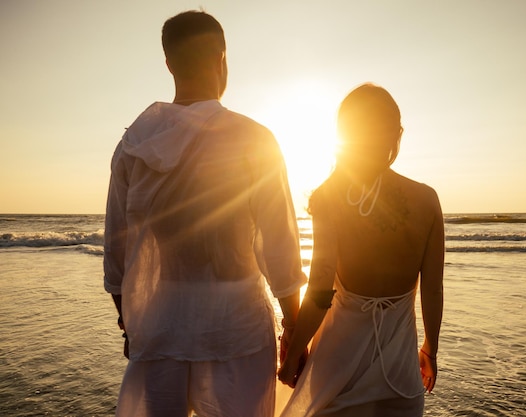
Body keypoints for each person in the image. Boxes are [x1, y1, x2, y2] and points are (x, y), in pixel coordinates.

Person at [103, 10, 306, 417]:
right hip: (237, 330)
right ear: (222, 59)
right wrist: (295, 333)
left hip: (159, 326)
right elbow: (280, 250)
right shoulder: (254, 139)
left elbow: (116, 249)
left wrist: (131, 322)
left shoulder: (136, 142)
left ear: (169, 64)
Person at [277, 83, 444, 416]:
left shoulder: (330, 195)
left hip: (339, 363)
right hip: (398, 368)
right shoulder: (426, 199)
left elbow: (321, 285)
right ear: (396, 133)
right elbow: (432, 287)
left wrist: (294, 351)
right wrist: (430, 350)